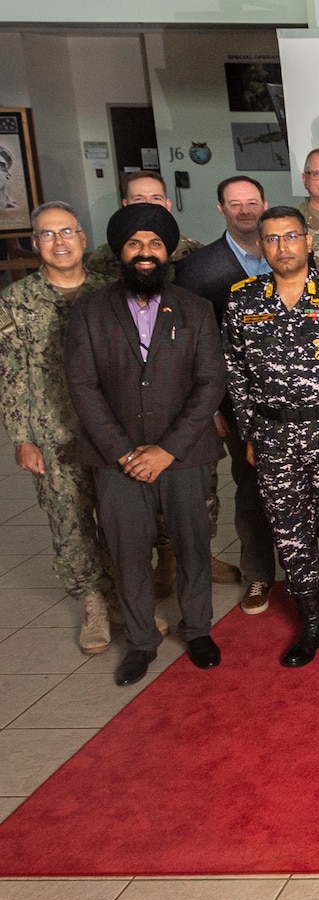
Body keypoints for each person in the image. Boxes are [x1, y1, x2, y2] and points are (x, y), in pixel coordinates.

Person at [65, 204, 226, 686]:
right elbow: (83, 386)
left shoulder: (194, 309)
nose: (145, 253)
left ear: (167, 252)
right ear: (120, 251)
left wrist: (166, 450)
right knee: (128, 552)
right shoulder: (91, 311)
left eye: (154, 244)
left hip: (184, 454)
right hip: (116, 460)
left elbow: (210, 383)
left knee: (193, 545)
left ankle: (198, 629)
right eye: (136, 244)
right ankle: (140, 642)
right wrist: (123, 452)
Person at [222, 206, 319, 667]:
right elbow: (235, 374)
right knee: (291, 534)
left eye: (290, 237)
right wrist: (248, 432)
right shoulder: (242, 301)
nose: (282, 247)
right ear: (261, 245)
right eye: (271, 239)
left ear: (307, 241)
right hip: (273, 434)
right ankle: (312, 625)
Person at [0, 203, 117, 653]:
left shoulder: (110, 292)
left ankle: (126, 598)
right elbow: (12, 374)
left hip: (110, 428)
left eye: (66, 232)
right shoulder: (16, 301)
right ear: (35, 244)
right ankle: (94, 602)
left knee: (118, 516)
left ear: (83, 238)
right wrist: (22, 438)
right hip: (53, 431)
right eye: (47, 235)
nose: (59, 242)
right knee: (69, 521)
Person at [173, 175, 279, 614]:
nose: (245, 210)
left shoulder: (288, 254)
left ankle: (314, 569)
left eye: (252, 202)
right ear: (221, 209)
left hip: (302, 402)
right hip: (241, 404)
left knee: (309, 490)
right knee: (252, 488)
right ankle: (257, 575)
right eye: (234, 204)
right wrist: (214, 405)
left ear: (264, 203)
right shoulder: (199, 270)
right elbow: (191, 346)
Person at [83, 171, 205, 281]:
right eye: (138, 199)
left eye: (156, 198)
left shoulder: (194, 252)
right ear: (126, 205)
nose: (148, 204)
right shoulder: (104, 256)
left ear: (167, 205)